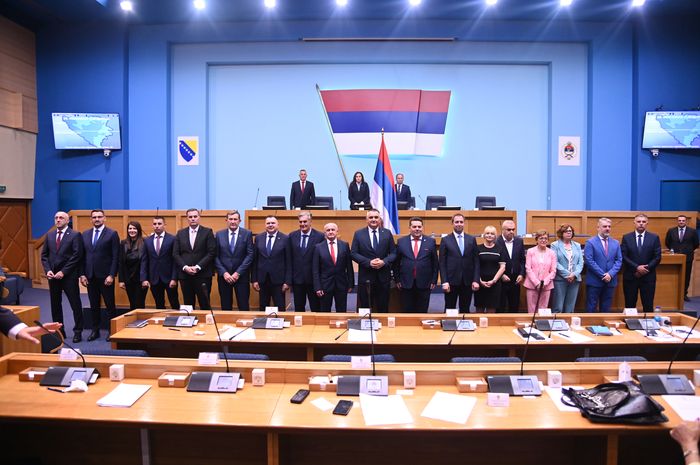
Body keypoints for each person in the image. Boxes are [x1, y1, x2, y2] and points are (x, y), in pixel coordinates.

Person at [40, 211, 84, 342]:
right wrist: (48, 270)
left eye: (61, 218)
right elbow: (44, 256)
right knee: (55, 305)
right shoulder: (50, 235)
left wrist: (63, 271)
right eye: (56, 218)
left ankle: (78, 331)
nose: (58, 220)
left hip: (69, 276)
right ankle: (60, 331)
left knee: (75, 304)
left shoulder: (75, 235)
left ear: (67, 220)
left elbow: (77, 256)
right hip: (53, 276)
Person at [80, 209, 120, 341]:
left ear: (104, 218)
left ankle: (112, 330)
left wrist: (112, 275)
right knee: (94, 305)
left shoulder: (112, 234)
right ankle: (95, 330)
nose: (97, 219)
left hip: (105, 277)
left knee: (110, 305)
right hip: (90, 276)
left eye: (99, 217)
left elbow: (115, 256)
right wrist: (82, 274)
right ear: (91, 219)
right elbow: (82, 256)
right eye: (94, 217)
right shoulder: (85, 234)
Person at [351, 208, 396, 312]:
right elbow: (353, 253)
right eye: (371, 217)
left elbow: (394, 253)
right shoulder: (358, 234)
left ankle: (383, 323)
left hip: (383, 277)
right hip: (366, 277)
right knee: (365, 307)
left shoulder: (387, 233)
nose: (373, 219)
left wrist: (384, 262)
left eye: (376, 217)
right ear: (366, 219)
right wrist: (369, 262)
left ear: (380, 219)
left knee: (383, 306)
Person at [173, 208, 217, 309]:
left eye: (195, 216)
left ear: (199, 217)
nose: (193, 219)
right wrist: (185, 267)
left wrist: (198, 267)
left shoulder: (207, 232)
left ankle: (206, 320)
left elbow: (211, 252)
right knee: (188, 304)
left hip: (203, 274)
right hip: (185, 275)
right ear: (187, 218)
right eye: (190, 217)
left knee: (205, 303)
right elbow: (175, 254)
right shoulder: (180, 233)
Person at [394, 217, 438, 313]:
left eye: (419, 226)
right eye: (414, 227)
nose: (417, 229)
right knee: (407, 310)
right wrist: (397, 279)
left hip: (425, 283)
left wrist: (434, 280)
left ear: (422, 227)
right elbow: (396, 263)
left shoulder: (430, 242)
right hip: (406, 282)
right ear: (409, 228)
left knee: (422, 311)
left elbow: (435, 263)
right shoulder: (401, 242)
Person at [439, 213, 480, 313]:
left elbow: (476, 261)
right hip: (451, 281)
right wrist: (444, 281)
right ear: (452, 223)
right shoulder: (445, 240)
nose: (459, 224)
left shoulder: (471, 239)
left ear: (464, 223)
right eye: (456, 222)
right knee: (449, 308)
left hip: (467, 281)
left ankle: (464, 323)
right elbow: (442, 263)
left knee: (465, 309)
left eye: (461, 222)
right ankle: (449, 323)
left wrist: (476, 280)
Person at [621, 213, 662, 312]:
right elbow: (623, 256)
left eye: (643, 222)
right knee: (630, 305)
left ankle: (648, 322)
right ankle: (630, 322)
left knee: (648, 305)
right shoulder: (626, 237)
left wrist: (645, 268)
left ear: (647, 223)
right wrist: (637, 267)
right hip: (631, 276)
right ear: (634, 223)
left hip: (648, 277)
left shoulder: (654, 237)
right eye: (639, 221)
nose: (641, 223)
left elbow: (657, 257)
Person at [214, 210, 254, 310]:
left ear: (240, 220)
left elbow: (250, 255)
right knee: (225, 306)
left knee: (243, 306)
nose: (233, 221)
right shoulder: (219, 235)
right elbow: (215, 256)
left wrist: (238, 273)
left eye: (235, 219)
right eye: (230, 219)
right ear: (226, 220)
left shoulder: (247, 234)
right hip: (224, 277)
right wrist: (224, 273)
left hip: (241, 276)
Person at [252, 215, 292, 311]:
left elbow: (289, 261)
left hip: (279, 281)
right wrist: (254, 280)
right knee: (263, 307)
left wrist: (287, 281)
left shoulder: (285, 238)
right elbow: (255, 260)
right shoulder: (258, 238)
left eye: (273, 223)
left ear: (278, 224)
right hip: (262, 280)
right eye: (268, 223)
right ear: (265, 225)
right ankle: (263, 321)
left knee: (280, 307)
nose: (270, 225)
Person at [312, 222, 354, 312]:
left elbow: (349, 266)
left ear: (337, 232)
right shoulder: (318, 247)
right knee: (325, 311)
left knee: (342, 311)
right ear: (324, 233)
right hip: (325, 285)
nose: (330, 232)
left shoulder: (345, 245)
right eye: (328, 230)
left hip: (341, 284)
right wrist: (318, 287)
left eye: (333, 230)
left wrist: (351, 283)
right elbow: (315, 270)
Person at [140, 216, 180, 309]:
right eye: (155, 224)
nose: (157, 226)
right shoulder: (147, 241)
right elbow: (144, 261)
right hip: (154, 278)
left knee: (174, 303)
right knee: (159, 304)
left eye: (159, 223)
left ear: (164, 225)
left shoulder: (172, 239)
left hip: (169, 278)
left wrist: (174, 278)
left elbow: (175, 260)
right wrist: (144, 278)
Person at [584, 217, 622, 312]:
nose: (607, 228)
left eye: (609, 226)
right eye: (605, 226)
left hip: (610, 281)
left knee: (606, 308)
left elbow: (619, 260)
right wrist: (603, 275)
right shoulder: (590, 242)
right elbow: (589, 261)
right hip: (595, 281)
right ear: (598, 228)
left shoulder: (616, 243)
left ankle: (604, 323)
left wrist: (610, 274)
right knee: (591, 307)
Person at [289, 211, 324, 311]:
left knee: (316, 308)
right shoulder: (292, 236)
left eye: (305, 221)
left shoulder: (320, 236)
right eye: (300, 222)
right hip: (297, 279)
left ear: (310, 221)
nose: (302, 224)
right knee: (298, 308)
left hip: (313, 280)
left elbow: (322, 259)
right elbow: (290, 258)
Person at [550, 223, 584, 313]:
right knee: (558, 307)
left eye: (570, 231)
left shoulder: (577, 245)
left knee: (570, 307)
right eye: (566, 231)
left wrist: (574, 274)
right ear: (561, 233)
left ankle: (568, 322)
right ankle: (556, 322)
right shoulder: (555, 245)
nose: (569, 233)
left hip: (575, 279)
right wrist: (568, 274)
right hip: (560, 279)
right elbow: (555, 262)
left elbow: (580, 262)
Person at [666, 214, 699, 302]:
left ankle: (684, 294)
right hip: (674, 257)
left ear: (686, 221)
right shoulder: (671, 231)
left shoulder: (692, 231)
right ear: (677, 221)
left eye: (683, 220)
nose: (681, 222)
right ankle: (672, 294)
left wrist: (688, 250)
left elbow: (696, 243)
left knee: (686, 276)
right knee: (673, 275)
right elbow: (667, 242)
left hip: (688, 257)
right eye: (679, 220)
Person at [474, 225, 507, 312]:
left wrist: (494, 281)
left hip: (495, 284)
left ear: (495, 236)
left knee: (491, 310)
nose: (489, 235)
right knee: (479, 309)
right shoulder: (478, 248)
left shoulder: (500, 249)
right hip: (480, 283)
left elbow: (502, 267)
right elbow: (475, 266)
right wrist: (479, 280)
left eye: (492, 234)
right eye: (487, 233)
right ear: (484, 235)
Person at [523, 230, 557, 314]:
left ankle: (541, 323)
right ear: (536, 239)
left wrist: (544, 283)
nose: (543, 240)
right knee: (532, 310)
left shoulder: (552, 253)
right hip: (532, 285)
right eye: (541, 238)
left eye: (545, 238)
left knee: (543, 310)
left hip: (546, 286)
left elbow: (553, 270)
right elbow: (528, 268)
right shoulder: (530, 251)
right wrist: (537, 283)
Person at [496, 220, 526, 312]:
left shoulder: (519, 241)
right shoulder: (496, 241)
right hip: (501, 280)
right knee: (500, 307)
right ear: (502, 230)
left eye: (513, 229)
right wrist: (501, 275)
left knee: (514, 307)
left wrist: (521, 274)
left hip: (515, 280)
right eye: (509, 230)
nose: (512, 232)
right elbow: (493, 262)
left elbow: (522, 260)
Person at [119, 221, 148, 310]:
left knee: (139, 303)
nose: (132, 230)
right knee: (132, 303)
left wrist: (145, 279)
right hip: (128, 279)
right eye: (130, 228)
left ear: (138, 230)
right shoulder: (123, 243)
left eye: (134, 228)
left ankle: (141, 319)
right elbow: (121, 262)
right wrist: (121, 280)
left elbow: (146, 262)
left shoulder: (145, 242)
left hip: (140, 279)